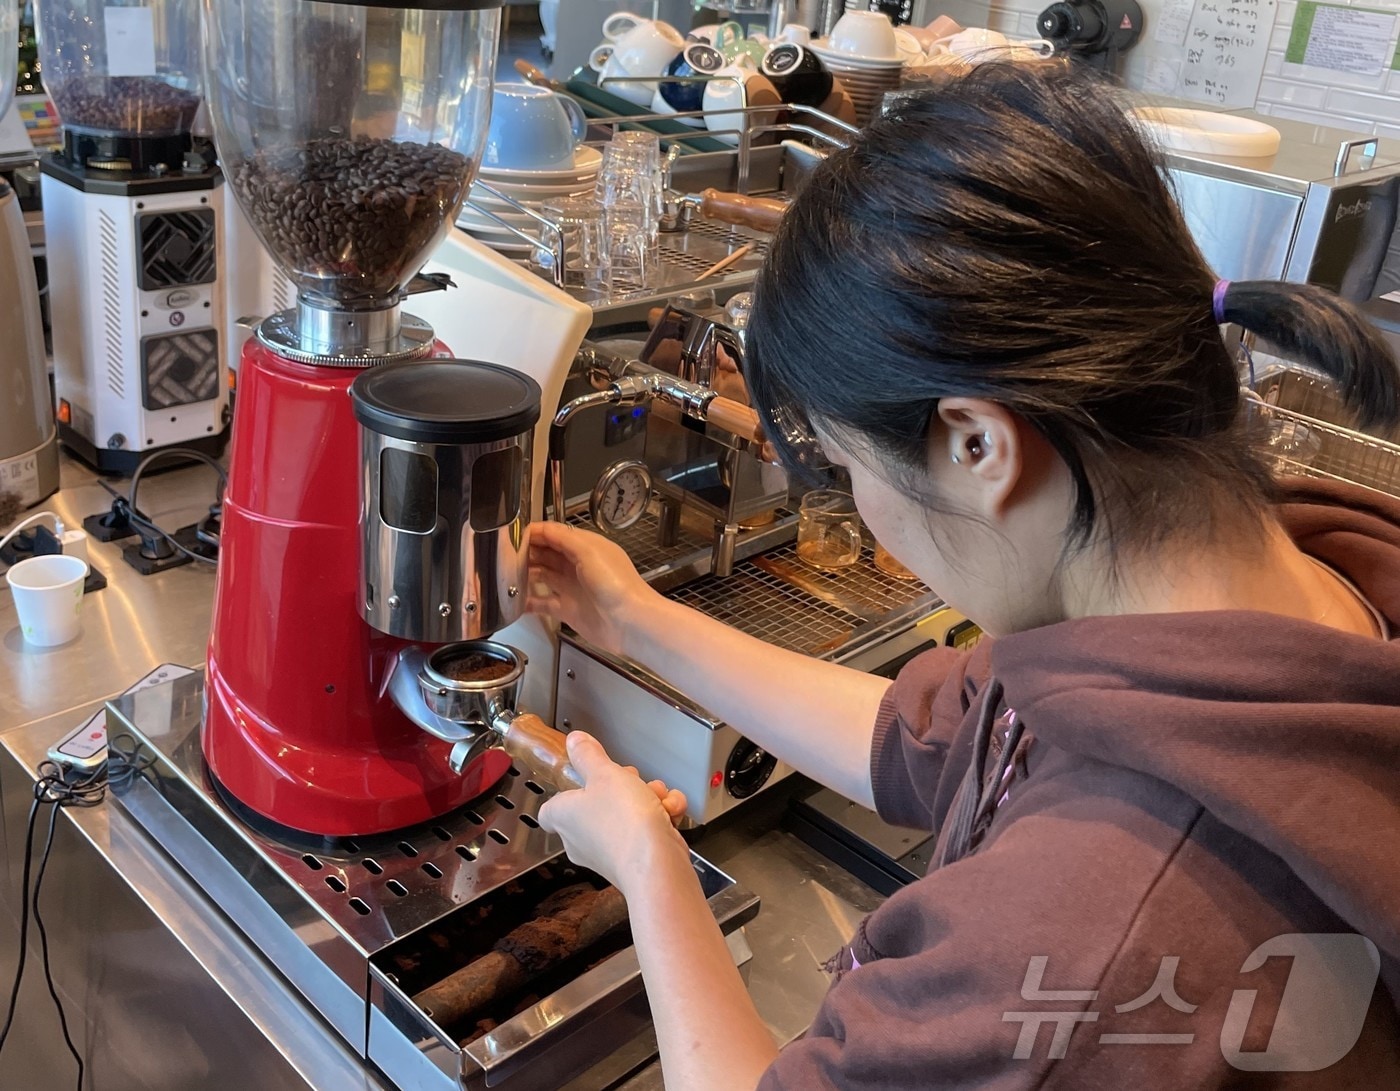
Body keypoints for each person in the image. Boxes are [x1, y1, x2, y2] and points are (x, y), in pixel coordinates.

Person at [528, 61, 1400, 1088]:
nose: (863, 505)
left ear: (980, 445)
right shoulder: (1276, 584)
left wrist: (648, 865)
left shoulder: (1087, 941)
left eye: (848, 469)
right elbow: (931, 738)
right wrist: (630, 614)